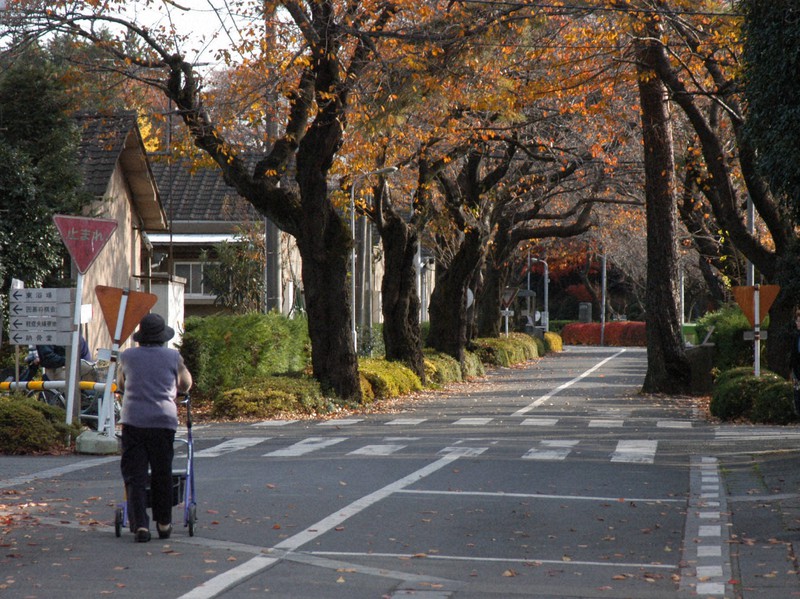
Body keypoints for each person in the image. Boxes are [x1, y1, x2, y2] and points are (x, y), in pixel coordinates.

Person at [118, 313, 192, 543]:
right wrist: (178, 392)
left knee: (136, 475)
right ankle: (164, 523)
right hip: (163, 422)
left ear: (141, 337)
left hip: (134, 422)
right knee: (162, 473)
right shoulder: (173, 357)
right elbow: (186, 383)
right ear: (162, 337)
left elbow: (121, 384)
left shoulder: (127, 356)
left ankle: (140, 524)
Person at [791, 308, 800, 416]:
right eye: (797, 321)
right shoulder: (796, 337)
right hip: (797, 371)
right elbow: (793, 355)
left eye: (799, 321)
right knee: (797, 395)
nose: (797, 323)